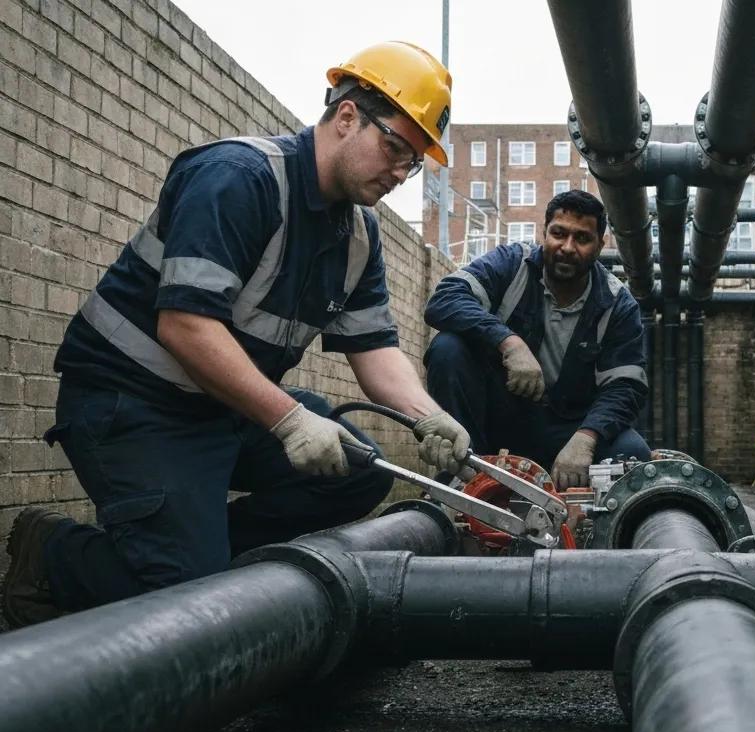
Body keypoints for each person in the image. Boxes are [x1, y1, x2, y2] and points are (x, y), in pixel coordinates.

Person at [0, 41, 473, 631]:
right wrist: (290, 420)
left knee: (362, 471)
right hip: (130, 403)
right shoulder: (238, 178)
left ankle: (211, 565)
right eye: (395, 147)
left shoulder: (358, 237)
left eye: (413, 162)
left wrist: (429, 416)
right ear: (347, 116)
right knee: (185, 602)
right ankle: (53, 556)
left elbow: (373, 349)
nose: (401, 172)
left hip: (222, 406)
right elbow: (185, 326)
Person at [423, 190, 650, 490]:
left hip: (566, 431)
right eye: (559, 234)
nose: (567, 247)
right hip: (493, 421)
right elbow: (444, 299)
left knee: (632, 451)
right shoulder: (512, 264)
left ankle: (586, 510)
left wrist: (586, 438)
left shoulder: (616, 303)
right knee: (448, 347)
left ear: (599, 245)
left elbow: (626, 386)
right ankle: (463, 476)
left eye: (582, 238)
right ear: (544, 233)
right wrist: (509, 342)